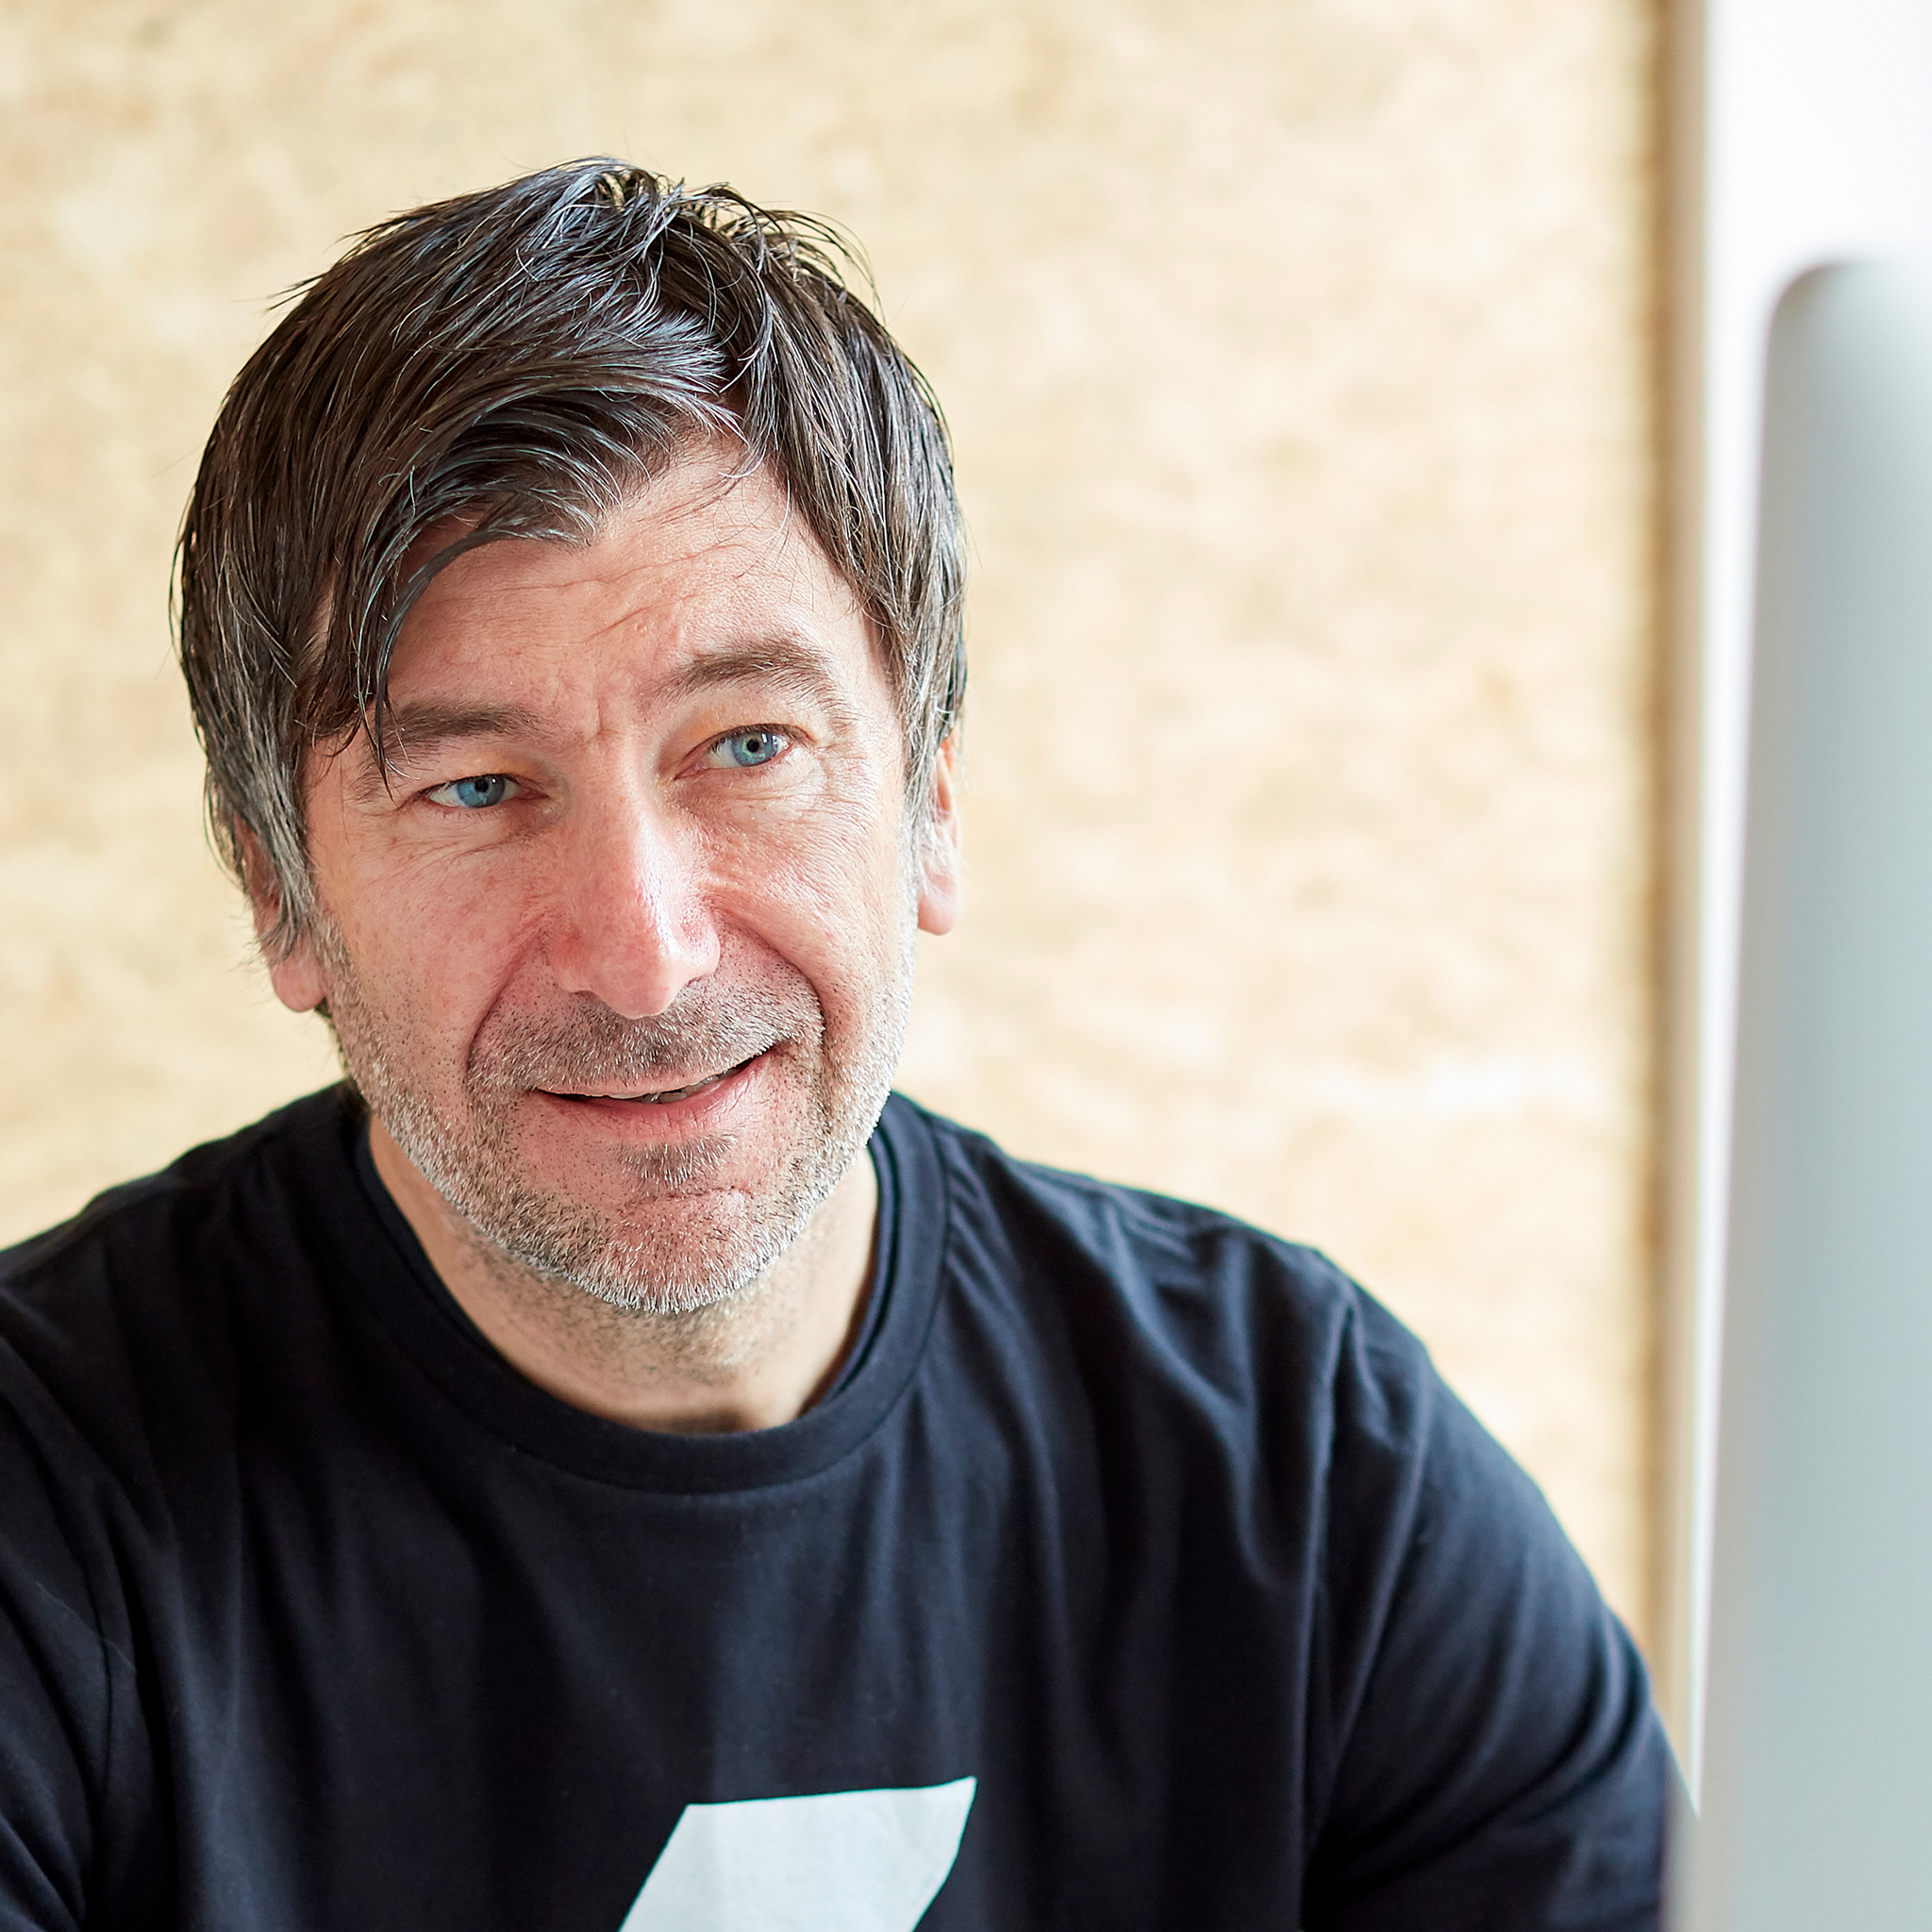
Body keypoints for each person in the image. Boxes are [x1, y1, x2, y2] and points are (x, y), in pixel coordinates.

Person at [0, 159, 1671, 1931]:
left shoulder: (1316, 1480)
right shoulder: (45, 1513)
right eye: (477, 788)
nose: (646, 957)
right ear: (279, 889)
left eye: (749, 749)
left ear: (930, 799)